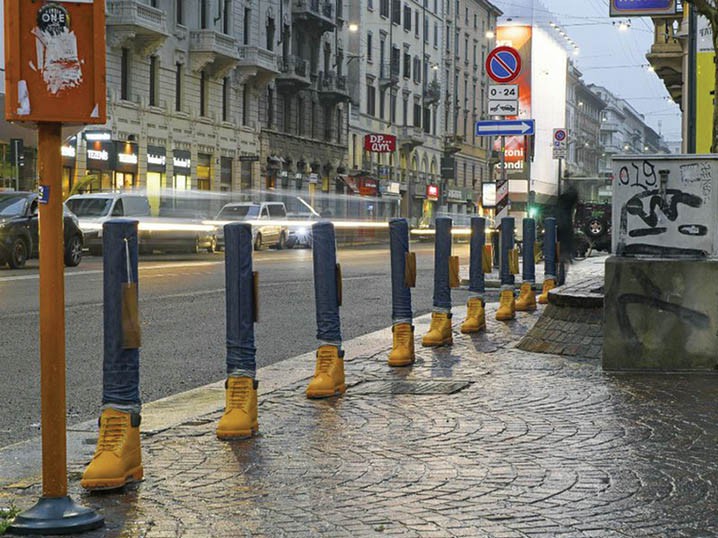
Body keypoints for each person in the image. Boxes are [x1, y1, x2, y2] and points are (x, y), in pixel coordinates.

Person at [556, 186, 579, 286]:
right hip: (565, 233)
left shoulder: (559, 205)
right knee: (563, 258)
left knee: (559, 258)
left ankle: (557, 278)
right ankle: (560, 278)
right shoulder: (568, 209)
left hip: (558, 232)